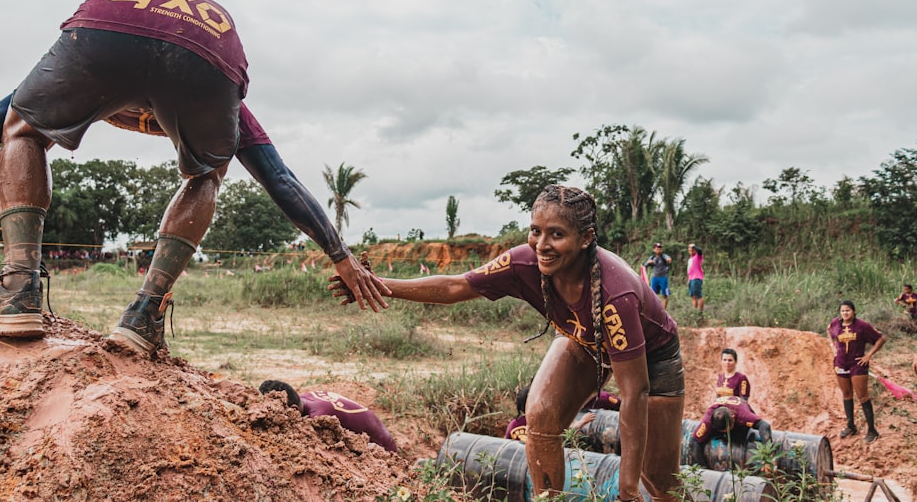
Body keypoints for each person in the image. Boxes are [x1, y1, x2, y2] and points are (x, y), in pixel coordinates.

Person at [0, 0, 388, 356]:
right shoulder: (226, 108)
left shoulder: (83, 73)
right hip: (210, 56)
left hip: (108, 27)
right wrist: (339, 254)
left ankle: (17, 288)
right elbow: (279, 177)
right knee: (208, 172)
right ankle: (144, 315)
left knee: (23, 128)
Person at [332, 185, 684, 502]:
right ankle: (549, 499)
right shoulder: (523, 263)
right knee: (542, 414)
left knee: (658, 481)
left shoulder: (614, 294)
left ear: (586, 237)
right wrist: (375, 284)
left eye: (557, 235)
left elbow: (634, 391)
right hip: (585, 341)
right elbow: (456, 287)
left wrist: (627, 490)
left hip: (653, 360)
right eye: (536, 231)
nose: (542, 245)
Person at [259, 380, 397, 452]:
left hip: (383, 448)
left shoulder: (320, 418)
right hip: (378, 430)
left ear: (293, 410)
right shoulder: (306, 397)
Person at [828, 300, 887, 442]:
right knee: (847, 394)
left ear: (853, 311)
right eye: (842, 311)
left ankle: (872, 430)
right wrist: (832, 345)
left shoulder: (862, 326)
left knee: (862, 396)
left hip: (858, 364)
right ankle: (850, 426)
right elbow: (829, 330)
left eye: (848, 310)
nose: (845, 313)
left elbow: (881, 339)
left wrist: (869, 355)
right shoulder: (836, 323)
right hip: (841, 363)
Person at [688, 396, 772, 469]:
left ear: (733, 417)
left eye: (728, 430)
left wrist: (767, 457)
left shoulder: (743, 415)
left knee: (738, 438)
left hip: (740, 425)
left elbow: (764, 426)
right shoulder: (708, 419)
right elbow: (694, 442)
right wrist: (704, 470)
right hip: (722, 415)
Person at [643, 242, 672, 310]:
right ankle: (655, 309)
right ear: (654, 250)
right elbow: (644, 265)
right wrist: (648, 262)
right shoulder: (652, 257)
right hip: (655, 278)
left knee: (665, 295)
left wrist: (669, 259)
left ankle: (664, 311)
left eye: (660, 249)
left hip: (663, 277)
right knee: (653, 295)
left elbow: (668, 258)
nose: (658, 250)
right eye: (657, 249)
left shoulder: (664, 256)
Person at [687, 243, 704, 313]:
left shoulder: (698, 257)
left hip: (696, 278)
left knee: (699, 296)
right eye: (690, 250)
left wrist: (694, 246)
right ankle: (694, 313)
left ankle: (700, 313)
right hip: (691, 279)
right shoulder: (690, 259)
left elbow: (700, 251)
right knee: (693, 296)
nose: (691, 252)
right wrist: (688, 280)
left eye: (692, 250)